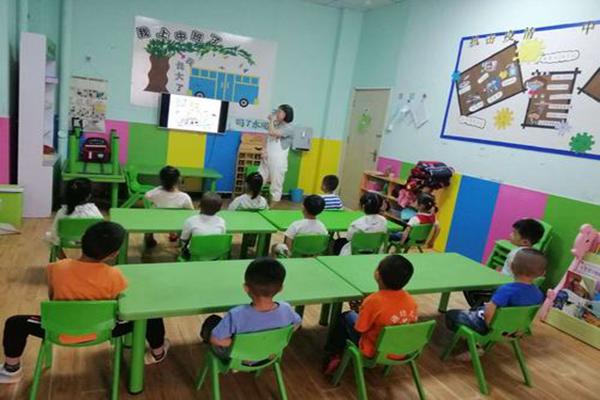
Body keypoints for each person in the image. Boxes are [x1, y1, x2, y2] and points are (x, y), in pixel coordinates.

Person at [0, 222, 168, 384]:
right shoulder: (115, 276)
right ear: (114, 254)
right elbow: (119, 304)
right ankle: (157, 352)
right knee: (150, 315)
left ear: (82, 241)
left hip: (57, 330)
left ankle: (11, 369)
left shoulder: (55, 268)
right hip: (103, 330)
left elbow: (53, 297)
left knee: (15, 323)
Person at [323, 255, 417, 374]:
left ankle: (333, 353)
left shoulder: (373, 301)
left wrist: (361, 311)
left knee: (346, 316)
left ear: (377, 274)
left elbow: (359, 328)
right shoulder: (411, 301)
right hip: (401, 350)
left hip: (374, 351)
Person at [446, 248, 546, 359]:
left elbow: (488, 315)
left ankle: (476, 344)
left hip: (491, 327)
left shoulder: (506, 290)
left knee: (451, 314)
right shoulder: (539, 294)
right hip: (512, 329)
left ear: (511, 267)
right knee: (477, 307)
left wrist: (489, 330)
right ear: (542, 273)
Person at [200, 257, 301, 360]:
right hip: (269, 355)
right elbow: (297, 323)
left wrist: (238, 343)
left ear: (246, 288)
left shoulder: (236, 315)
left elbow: (215, 339)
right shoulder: (286, 309)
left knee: (212, 321)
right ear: (281, 288)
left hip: (239, 358)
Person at [464, 218, 545, 308]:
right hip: (511, 287)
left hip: (501, 286)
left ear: (525, 242)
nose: (510, 235)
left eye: (514, 233)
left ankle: (481, 307)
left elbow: (511, 274)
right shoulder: (532, 255)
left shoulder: (516, 255)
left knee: (469, 287)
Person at [45, 178, 103, 254]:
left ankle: (64, 259)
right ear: (89, 196)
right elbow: (100, 230)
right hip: (88, 242)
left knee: (49, 237)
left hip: (66, 241)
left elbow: (54, 235)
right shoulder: (94, 210)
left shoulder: (62, 212)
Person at [144, 166, 194, 246]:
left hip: (157, 222)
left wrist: (159, 188)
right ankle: (176, 235)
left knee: (151, 213)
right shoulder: (184, 197)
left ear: (161, 180)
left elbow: (146, 196)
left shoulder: (155, 193)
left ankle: (149, 237)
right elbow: (191, 212)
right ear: (178, 180)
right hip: (176, 223)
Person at [258, 104, 295, 202]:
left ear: (286, 114)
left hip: (278, 161)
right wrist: (264, 149)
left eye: (279, 112)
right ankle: (253, 202)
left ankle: (272, 207)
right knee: (259, 179)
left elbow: (272, 132)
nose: (276, 114)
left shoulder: (289, 128)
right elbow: (267, 137)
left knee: (275, 185)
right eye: (277, 111)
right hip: (267, 157)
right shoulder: (276, 124)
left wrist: (271, 120)